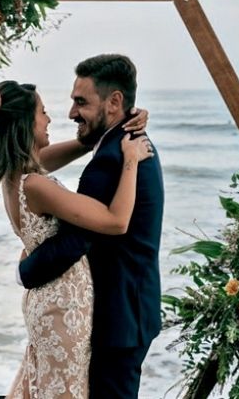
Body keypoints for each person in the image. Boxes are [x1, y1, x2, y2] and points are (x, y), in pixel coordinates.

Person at [0, 79, 153, 398]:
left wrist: (117, 122)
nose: (50, 118)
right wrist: (130, 160)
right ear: (26, 123)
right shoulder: (36, 186)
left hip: (47, 302)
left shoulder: (14, 173)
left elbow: (76, 147)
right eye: (42, 112)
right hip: (63, 307)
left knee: (46, 386)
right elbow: (116, 220)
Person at [18, 54, 165, 398]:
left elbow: (75, 241)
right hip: (132, 309)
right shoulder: (128, 144)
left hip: (118, 321)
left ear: (114, 102)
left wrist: (24, 272)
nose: (70, 113)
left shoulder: (110, 161)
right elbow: (37, 160)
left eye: (80, 102)